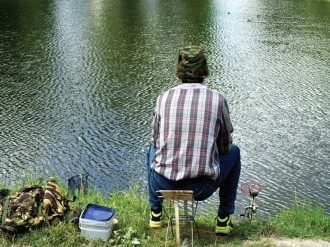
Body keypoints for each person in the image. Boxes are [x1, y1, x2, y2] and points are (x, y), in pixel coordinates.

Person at [146, 46, 241, 235]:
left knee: (151, 148)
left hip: (161, 185)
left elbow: (155, 141)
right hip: (200, 189)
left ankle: (155, 213)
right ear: (204, 71)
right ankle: (223, 219)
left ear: (179, 71)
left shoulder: (163, 98)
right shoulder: (218, 100)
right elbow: (224, 147)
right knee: (234, 152)